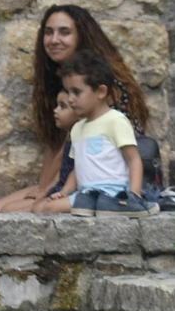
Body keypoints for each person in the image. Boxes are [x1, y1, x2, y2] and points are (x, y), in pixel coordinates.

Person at [0, 4, 150, 213]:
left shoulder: (100, 86)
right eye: (49, 32)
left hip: (103, 183)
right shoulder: (62, 82)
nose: (54, 39)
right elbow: (56, 142)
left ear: (81, 36)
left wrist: (46, 190)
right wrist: (44, 187)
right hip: (70, 180)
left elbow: (72, 145)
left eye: (64, 32)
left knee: (8, 212)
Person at [54, 52, 153, 217]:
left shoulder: (115, 121)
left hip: (114, 194)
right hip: (86, 195)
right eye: (68, 92)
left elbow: (133, 159)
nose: (70, 99)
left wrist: (134, 196)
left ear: (100, 92)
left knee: (48, 208)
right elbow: (77, 168)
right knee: (46, 207)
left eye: (76, 92)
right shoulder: (77, 128)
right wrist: (65, 191)